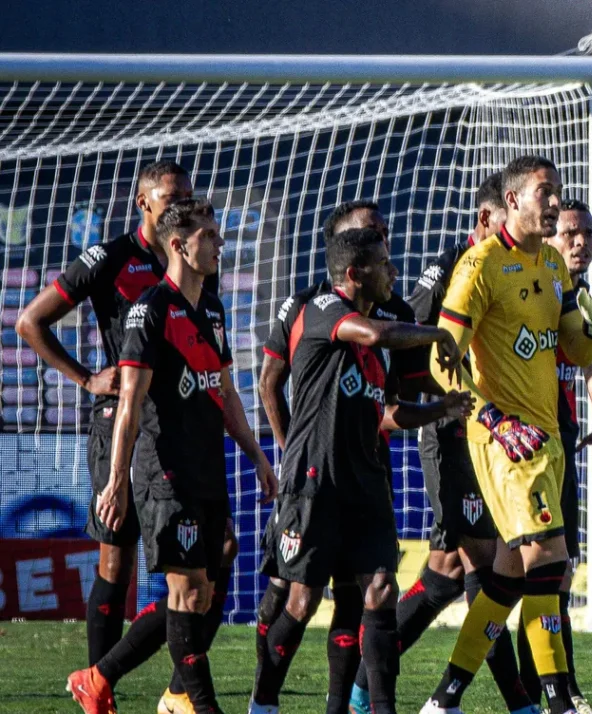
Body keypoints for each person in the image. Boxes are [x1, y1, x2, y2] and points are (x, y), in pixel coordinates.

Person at [17, 161, 237, 714]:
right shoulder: (110, 258)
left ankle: (167, 688)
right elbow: (30, 322)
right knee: (117, 561)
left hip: (180, 431)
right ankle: (100, 689)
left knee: (206, 569)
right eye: (169, 197)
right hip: (124, 423)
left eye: (187, 195)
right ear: (143, 203)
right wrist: (87, 377)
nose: (179, 204)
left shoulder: (196, 278)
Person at [418, 155, 592, 714]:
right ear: (512, 202)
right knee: (548, 562)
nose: (554, 201)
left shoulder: (554, 265)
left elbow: (575, 352)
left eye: (556, 191)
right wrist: (492, 420)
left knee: (508, 579)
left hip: (548, 439)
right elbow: (442, 359)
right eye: (543, 192)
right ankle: (558, 701)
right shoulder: (480, 265)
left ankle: (444, 699)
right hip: (504, 443)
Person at [66, 197, 277, 714]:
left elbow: (225, 391)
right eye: (210, 236)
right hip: (164, 471)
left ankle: (98, 677)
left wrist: (256, 455)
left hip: (208, 466)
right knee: (186, 594)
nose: (220, 244)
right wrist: (116, 480)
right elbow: (130, 404)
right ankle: (192, 705)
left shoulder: (212, 307)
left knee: (201, 593)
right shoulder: (150, 311)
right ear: (180, 245)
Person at [253, 226, 470, 714]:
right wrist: (437, 331)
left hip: (367, 481)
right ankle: (262, 702)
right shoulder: (325, 308)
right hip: (316, 479)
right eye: (384, 264)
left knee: (379, 591)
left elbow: (391, 411)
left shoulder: (382, 330)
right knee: (302, 601)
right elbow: (374, 334)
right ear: (354, 274)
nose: (394, 272)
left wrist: (445, 407)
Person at [348, 173, 538, 714]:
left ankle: (367, 686)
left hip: (493, 437)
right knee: (486, 567)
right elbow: (401, 327)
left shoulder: (520, 268)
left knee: (445, 574)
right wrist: (406, 401)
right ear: (487, 219)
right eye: (514, 216)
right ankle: (507, 702)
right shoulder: (450, 269)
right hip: (454, 435)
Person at [515, 199, 592, 714]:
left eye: (589, 234)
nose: (581, 242)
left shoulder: (584, 291)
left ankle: (554, 688)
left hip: (561, 432)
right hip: (514, 438)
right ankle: (539, 691)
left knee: (559, 568)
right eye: (572, 232)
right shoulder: (529, 283)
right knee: (522, 570)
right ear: (552, 238)